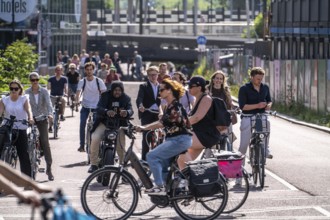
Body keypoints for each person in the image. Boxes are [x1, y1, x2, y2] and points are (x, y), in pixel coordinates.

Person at [135, 79, 192, 194]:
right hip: (175, 139)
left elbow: (161, 123)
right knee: (163, 165)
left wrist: (143, 128)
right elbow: (162, 121)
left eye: (161, 90)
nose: (159, 92)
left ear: (169, 91)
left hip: (179, 140)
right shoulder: (169, 106)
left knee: (151, 156)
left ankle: (160, 187)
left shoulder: (175, 107)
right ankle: (168, 192)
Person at [88, 81, 133, 173]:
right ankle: (93, 164)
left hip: (119, 125)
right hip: (104, 123)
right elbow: (98, 108)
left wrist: (127, 112)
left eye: (119, 90)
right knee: (95, 138)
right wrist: (106, 111)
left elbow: (131, 109)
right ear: (112, 90)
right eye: (115, 90)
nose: (117, 92)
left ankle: (123, 168)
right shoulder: (105, 96)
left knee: (121, 146)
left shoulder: (126, 98)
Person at [177, 76, 221, 169]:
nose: (188, 88)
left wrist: (180, 123)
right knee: (182, 160)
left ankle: (195, 174)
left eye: (191, 86)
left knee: (178, 142)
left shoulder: (206, 99)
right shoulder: (197, 99)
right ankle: (188, 179)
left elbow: (197, 117)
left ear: (199, 88)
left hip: (206, 135)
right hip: (198, 134)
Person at [0, 80, 34, 177]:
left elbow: (29, 110)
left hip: (20, 127)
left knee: (23, 154)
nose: (13, 90)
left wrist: (30, 118)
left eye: (16, 88)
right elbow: (0, 111)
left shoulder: (24, 99)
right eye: (11, 89)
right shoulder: (4, 100)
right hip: (7, 127)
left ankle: (27, 182)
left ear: (20, 89)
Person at [238, 67, 273, 159]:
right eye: (258, 79)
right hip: (247, 116)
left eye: (261, 79)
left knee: (267, 123)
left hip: (261, 116)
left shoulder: (265, 87)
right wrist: (257, 105)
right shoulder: (244, 89)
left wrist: (269, 105)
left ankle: (265, 149)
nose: (260, 81)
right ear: (252, 77)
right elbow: (243, 106)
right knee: (244, 145)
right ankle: (240, 167)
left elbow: (269, 100)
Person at [26, 72, 55, 181]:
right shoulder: (27, 92)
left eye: (36, 80)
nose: (35, 82)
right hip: (31, 120)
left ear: (39, 80)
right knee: (27, 141)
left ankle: (49, 168)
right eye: (32, 80)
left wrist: (50, 114)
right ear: (30, 81)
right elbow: (25, 106)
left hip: (42, 119)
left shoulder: (44, 91)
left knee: (45, 142)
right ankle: (29, 168)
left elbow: (48, 104)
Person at [76, 62, 107, 152]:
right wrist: (77, 101)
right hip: (85, 106)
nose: (89, 71)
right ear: (85, 71)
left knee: (96, 126)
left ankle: (96, 144)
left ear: (93, 70)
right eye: (87, 70)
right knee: (82, 124)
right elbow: (78, 93)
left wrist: (104, 104)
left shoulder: (98, 81)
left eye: (91, 69)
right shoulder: (83, 81)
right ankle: (82, 145)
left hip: (96, 107)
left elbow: (104, 93)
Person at [136, 66, 161, 161]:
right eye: (151, 75)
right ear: (148, 76)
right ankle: (144, 159)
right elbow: (139, 98)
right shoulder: (144, 86)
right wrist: (140, 106)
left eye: (155, 75)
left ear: (158, 75)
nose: (153, 77)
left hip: (158, 113)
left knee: (162, 134)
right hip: (147, 112)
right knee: (146, 135)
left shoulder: (161, 86)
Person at [207, 70, 236, 143]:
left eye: (221, 79)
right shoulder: (207, 90)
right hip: (212, 117)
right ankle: (207, 153)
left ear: (223, 81)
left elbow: (230, 103)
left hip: (224, 117)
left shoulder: (226, 91)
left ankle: (229, 149)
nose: (218, 80)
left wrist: (234, 107)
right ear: (213, 79)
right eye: (217, 78)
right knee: (210, 141)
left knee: (229, 138)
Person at [47, 65, 68, 129]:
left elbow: (66, 87)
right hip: (53, 96)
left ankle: (62, 115)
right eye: (57, 70)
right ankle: (50, 126)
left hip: (60, 96)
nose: (58, 71)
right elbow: (48, 87)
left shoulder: (64, 79)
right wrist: (48, 91)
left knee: (64, 101)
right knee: (50, 110)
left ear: (62, 71)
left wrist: (66, 93)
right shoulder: (51, 79)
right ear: (55, 71)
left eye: (60, 70)